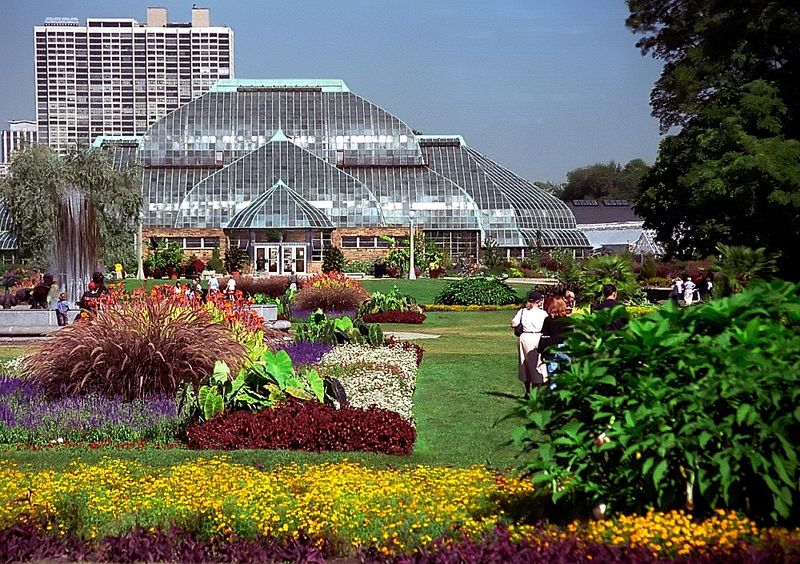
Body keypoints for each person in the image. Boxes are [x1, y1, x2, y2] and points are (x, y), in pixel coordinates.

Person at [511, 291, 549, 398]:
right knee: (537, 364)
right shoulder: (543, 313)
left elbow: (514, 323)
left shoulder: (523, 311)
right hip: (537, 337)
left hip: (525, 337)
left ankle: (527, 391)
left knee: (525, 364)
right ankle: (534, 393)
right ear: (538, 301)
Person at [539, 295, 572, 379]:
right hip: (564, 346)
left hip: (551, 346)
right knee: (567, 371)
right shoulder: (567, 320)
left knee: (552, 372)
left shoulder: (548, 319)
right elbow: (571, 335)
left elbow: (544, 334)